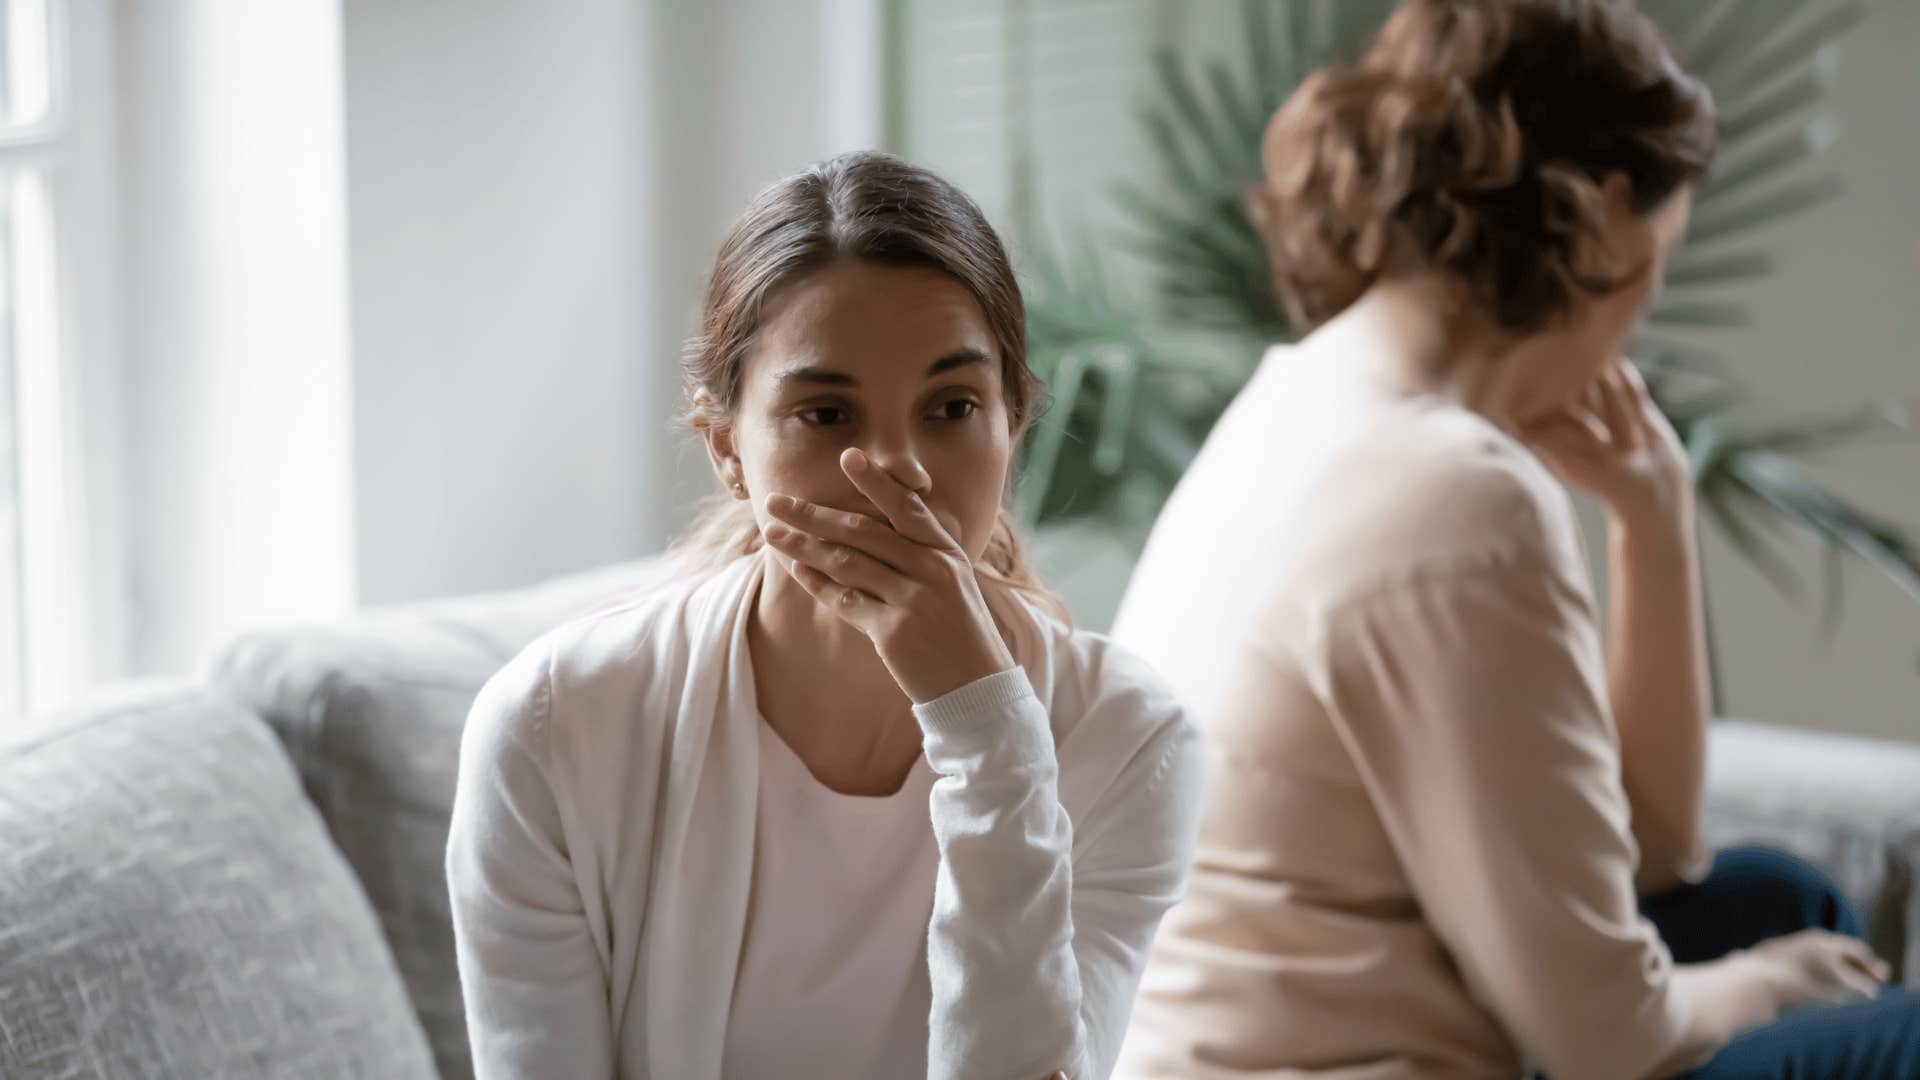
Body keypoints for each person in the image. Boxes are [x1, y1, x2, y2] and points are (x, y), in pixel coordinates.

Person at [1109, 2, 1920, 1077]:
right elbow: (1602, 1039)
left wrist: (1652, 519)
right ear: (1605, 231)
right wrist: (1766, 984)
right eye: (1659, 261)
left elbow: (1654, 852)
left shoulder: (1300, 396)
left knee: (1778, 896)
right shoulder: (1454, 493)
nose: (1646, 303)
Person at [445, 151, 1204, 1080]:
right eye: (826, 415)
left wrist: (988, 731)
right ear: (727, 449)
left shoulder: (1124, 739)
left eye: (952, 406)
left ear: (1014, 422)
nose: (896, 468)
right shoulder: (557, 728)